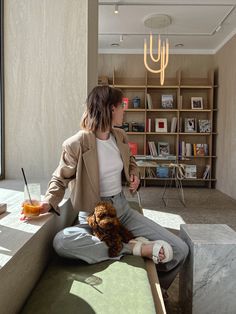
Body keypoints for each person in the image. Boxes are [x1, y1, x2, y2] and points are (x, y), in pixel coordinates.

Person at [39, 85, 189, 292]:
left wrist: (133, 174)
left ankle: (158, 291)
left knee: (179, 249)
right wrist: (48, 202)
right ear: (110, 109)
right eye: (122, 106)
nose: (124, 110)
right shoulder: (76, 143)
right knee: (62, 242)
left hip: (122, 210)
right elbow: (59, 178)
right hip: (93, 216)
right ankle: (134, 248)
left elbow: (131, 161)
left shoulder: (120, 136)